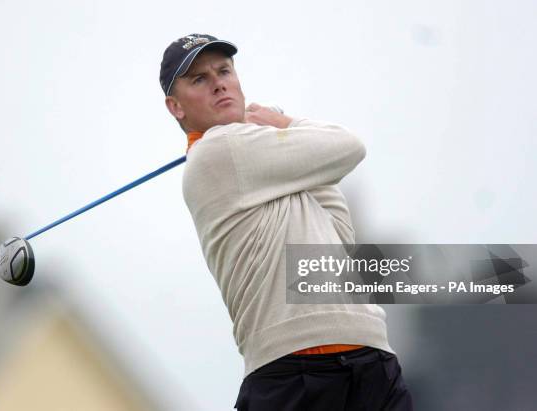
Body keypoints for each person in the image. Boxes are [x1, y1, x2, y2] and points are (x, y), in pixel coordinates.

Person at [160, 33, 413, 411]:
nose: (219, 83)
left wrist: (276, 133)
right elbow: (348, 146)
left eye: (224, 71)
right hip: (293, 369)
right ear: (176, 107)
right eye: (200, 78)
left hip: (369, 356)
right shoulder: (216, 151)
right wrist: (284, 123)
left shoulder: (263, 159)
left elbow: (338, 236)